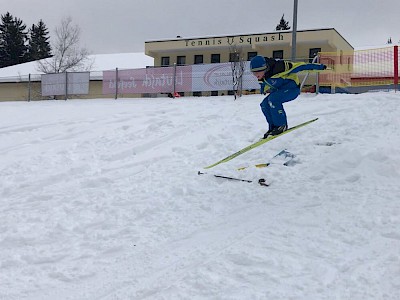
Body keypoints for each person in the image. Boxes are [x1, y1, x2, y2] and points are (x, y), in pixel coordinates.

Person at [250, 55, 326, 138]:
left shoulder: (280, 68)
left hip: (292, 89)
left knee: (273, 99)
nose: (255, 75)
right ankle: (273, 127)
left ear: (264, 68)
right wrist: (263, 89)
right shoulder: (262, 77)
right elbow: (265, 83)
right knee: (264, 104)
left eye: (257, 72)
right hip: (280, 91)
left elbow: (301, 66)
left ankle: (281, 125)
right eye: (253, 73)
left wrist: (320, 67)